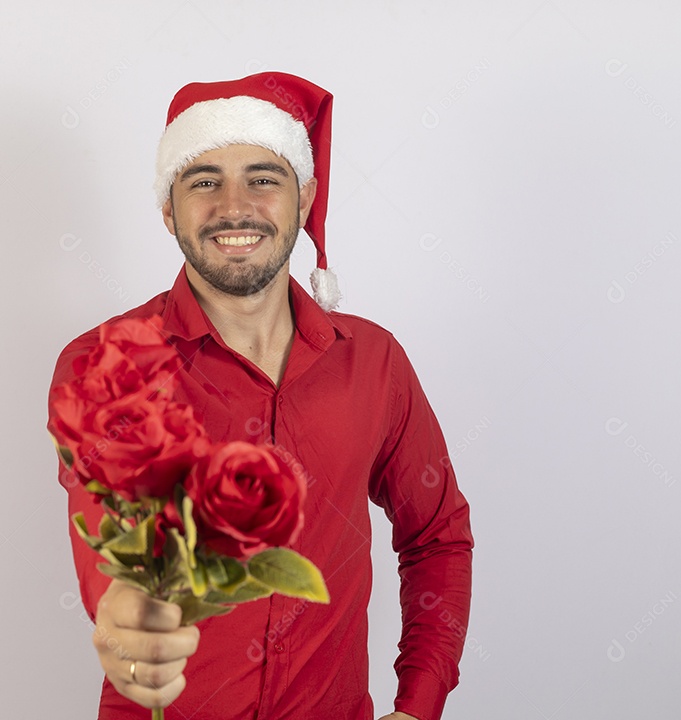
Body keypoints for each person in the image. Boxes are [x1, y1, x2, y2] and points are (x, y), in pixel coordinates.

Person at [48, 72, 474, 720]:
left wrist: (418, 704)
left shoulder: (374, 362)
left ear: (303, 198)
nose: (233, 204)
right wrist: (123, 622)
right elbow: (106, 548)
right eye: (204, 180)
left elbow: (436, 535)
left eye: (263, 178)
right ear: (168, 208)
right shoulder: (107, 365)